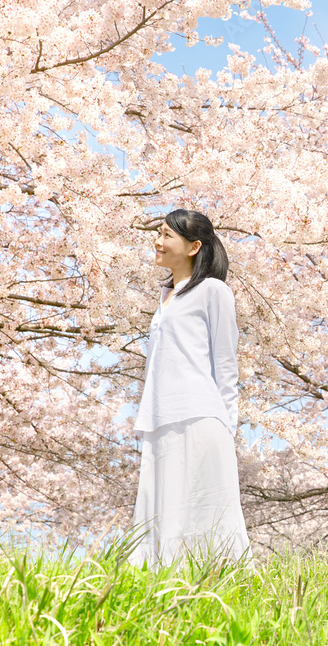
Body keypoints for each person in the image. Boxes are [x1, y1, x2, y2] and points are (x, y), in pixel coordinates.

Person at [127, 208, 252, 570]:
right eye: (158, 233)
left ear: (194, 246)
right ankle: (160, 582)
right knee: (162, 507)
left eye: (167, 235)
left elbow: (226, 365)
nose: (157, 241)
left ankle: (222, 581)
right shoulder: (165, 298)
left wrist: (227, 426)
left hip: (199, 415)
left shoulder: (213, 291)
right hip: (160, 415)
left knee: (204, 509)